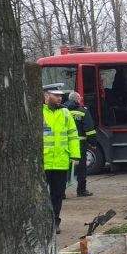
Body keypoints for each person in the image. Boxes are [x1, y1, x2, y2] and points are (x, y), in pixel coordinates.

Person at [43, 85, 81, 234]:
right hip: (44, 162)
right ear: (46, 96)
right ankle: (43, 221)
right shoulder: (39, 112)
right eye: (56, 95)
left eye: (60, 95)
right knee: (42, 195)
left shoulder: (66, 113)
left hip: (61, 161)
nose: (60, 98)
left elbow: (73, 135)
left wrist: (75, 156)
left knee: (57, 194)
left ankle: (55, 221)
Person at [64, 92, 96, 197]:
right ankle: (81, 190)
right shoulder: (83, 111)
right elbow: (90, 130)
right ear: (77, 100)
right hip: (80, 143)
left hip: (64, 143)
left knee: (65, 168)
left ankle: (61, 192)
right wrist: (93, 142)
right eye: (80, 98)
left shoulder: (63, 111)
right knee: (82, 167)